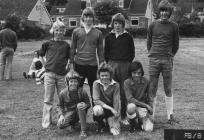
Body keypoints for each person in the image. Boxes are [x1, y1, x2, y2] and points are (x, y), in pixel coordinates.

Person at [147, 0, 179, 125]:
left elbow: (176, 45)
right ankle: (151, 116)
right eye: (162, 10)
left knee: (168, 88)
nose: (164, 13)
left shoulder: (174, 26)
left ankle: (170, 116)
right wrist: (153, 54)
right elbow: (149, 42)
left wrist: (170, 56)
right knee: (152, 88)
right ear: (159, 11)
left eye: (166, 11)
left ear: (169, 12)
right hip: (154, 60)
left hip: (167, 60)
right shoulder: (152, 25)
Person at [104, 13, 135, 125]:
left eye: (120, 23)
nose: (117, 26)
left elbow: (132, 54)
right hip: (112, 64)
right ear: (113, 24)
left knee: (123, 92)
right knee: (112, 90)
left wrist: (126, 64)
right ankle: (112, 115)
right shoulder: (109, 37)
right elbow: (105, 53)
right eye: (115, 23)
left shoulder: (128, 37)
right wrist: (110, 64)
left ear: (123, 24)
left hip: (124, 65)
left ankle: (123, 116)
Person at [39, 19, 70, 128]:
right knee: (48, 99)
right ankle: (46, 122)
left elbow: (70, 59)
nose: (59, 32)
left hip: (62, 76)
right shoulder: (47, 43)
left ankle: (64, 120)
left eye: (61, 30)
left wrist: (68, 69)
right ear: (53, 30)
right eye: (57, 30)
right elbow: (40, 55)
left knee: (64, 98)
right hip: (49, 75)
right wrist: (44, 65)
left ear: (64, 31)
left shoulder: (66, 45)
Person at [70, 7, 104, 104]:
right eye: (86, 16)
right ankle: (77, 112)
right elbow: (72, 48)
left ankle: (96, 114)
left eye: (90, 17)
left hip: (92, 66)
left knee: (94, 89)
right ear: (83, 18)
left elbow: (100, 51)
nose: (88, 19)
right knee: (78, 89)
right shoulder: (76, 32)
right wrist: (71, 64)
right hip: (79, 65)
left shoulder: (98, 33)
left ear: (93, 18)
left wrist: (101, 64)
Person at [57, 70, 90, 138]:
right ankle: (72, 124)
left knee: (79, 105)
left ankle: (83, 131)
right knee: (60, 125)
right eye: (71, 81)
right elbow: (59, 106)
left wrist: (85, 105)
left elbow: (88, 103)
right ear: (67, 82)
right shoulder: (63, 93)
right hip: (70, 112)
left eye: (75, 81)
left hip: (80, 111)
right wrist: (61, 115)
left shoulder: (82, 91)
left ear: (78, 82)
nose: (73, 83)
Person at [124, 61, 153, 132]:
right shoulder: (126, 82)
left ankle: (140, 121)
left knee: (149, 129)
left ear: (142, 72)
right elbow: (130, 99)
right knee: (131, 106)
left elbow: (150, 97)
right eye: (134, 73)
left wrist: (151, 111)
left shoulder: (147, 81)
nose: (137, 75)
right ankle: (132, 122)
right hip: (133, 107)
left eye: (139, 73)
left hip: (143, 109)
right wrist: (146, 105)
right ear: (130, 73)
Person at [92, 63, 121, 136]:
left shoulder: (116, 85)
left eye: (106, 75)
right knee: (97, 109)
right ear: (99, 75)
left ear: (110, 75)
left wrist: (116, 113)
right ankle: (101, 124)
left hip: (111, 111)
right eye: (102, 75)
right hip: (102, 108)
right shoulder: (96, 83)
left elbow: (116, 100)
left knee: (116, 133)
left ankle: (109, 122)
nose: (104, 77)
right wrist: (111, 108)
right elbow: (96, 100)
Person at [0, 15, 18, 80]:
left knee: (2, 64)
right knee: (9, 64)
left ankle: (1, 78)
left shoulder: (1, 32)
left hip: (4, 48)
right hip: (11, 49)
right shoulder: (14, 33)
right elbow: (15, 43)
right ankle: (8, 78)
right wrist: (14, 49)